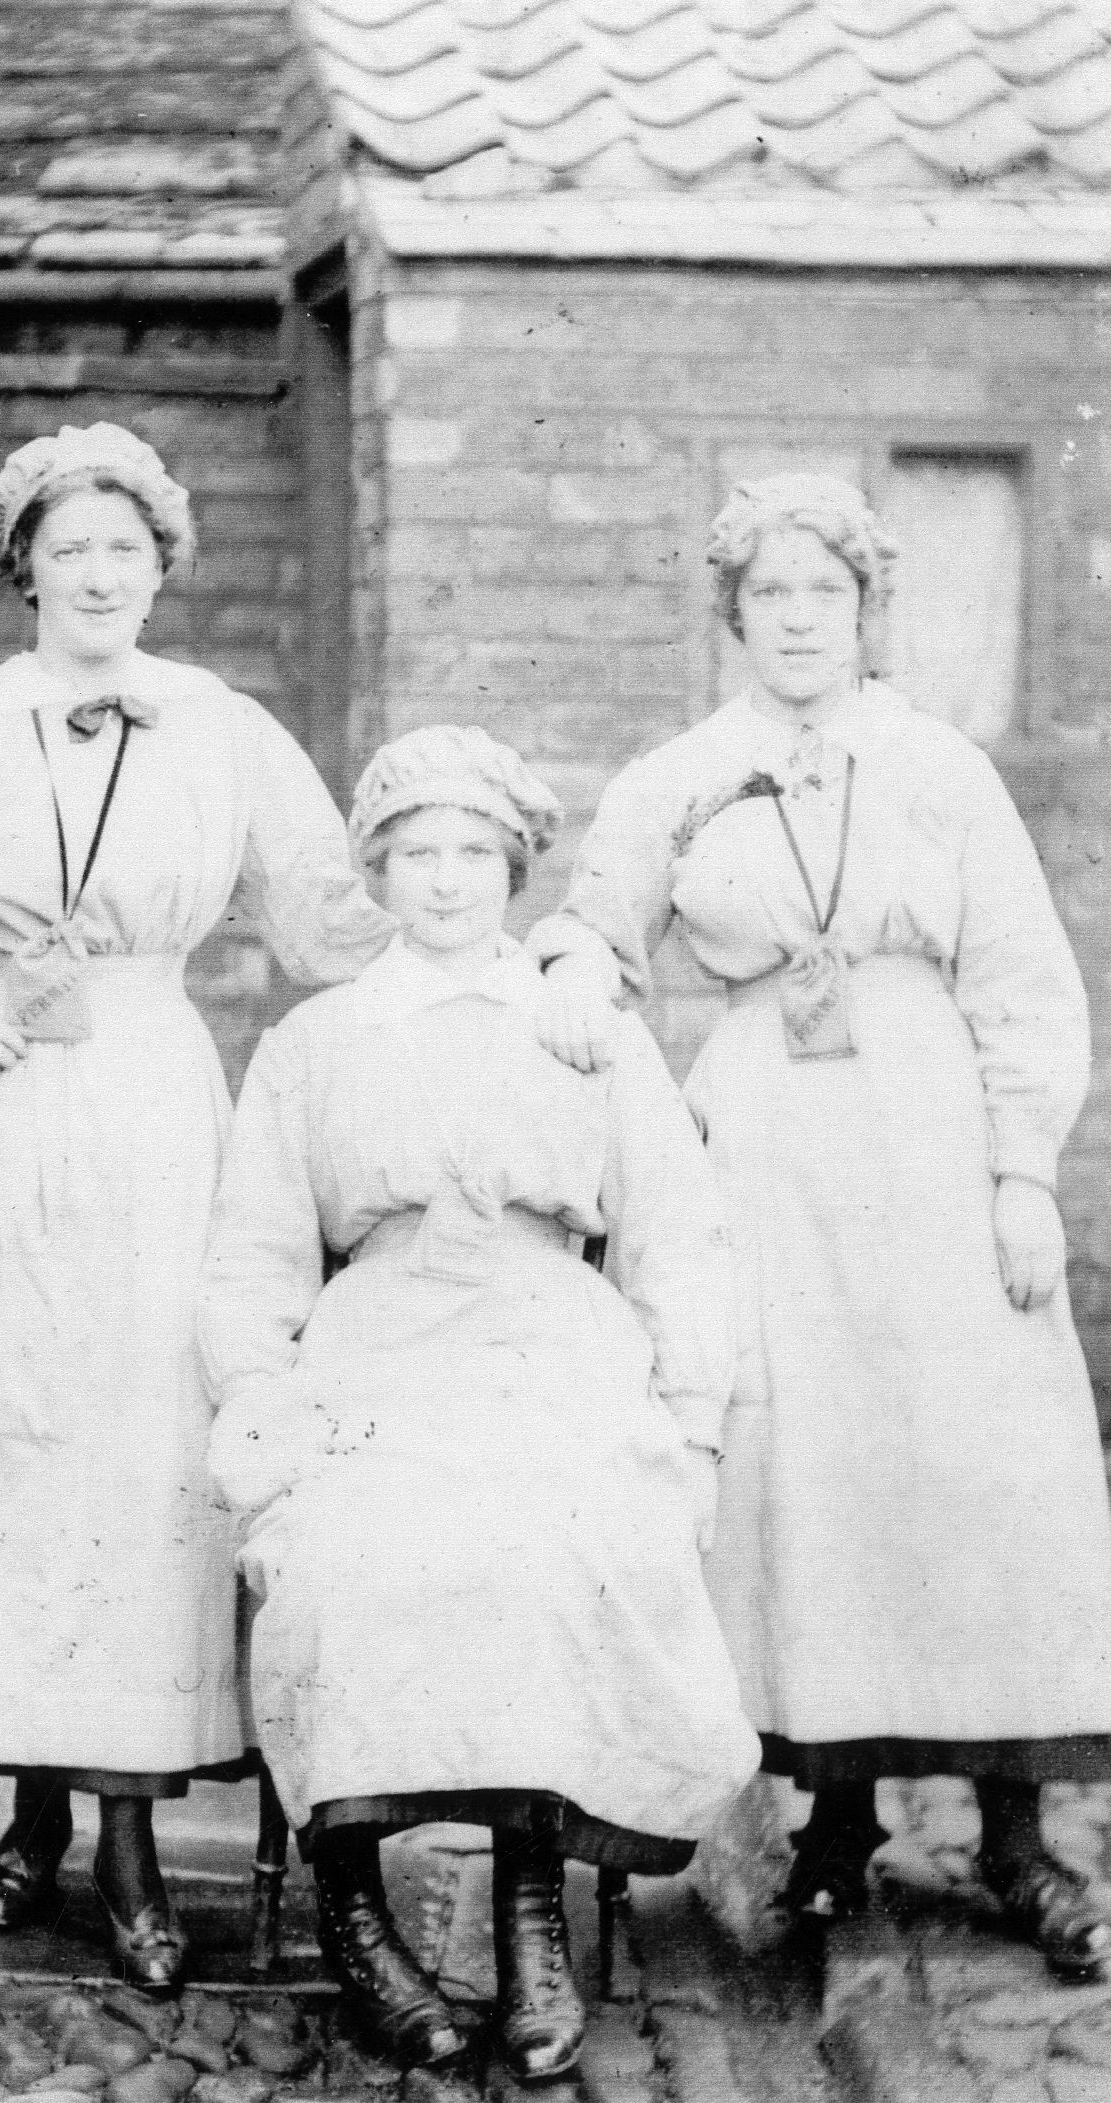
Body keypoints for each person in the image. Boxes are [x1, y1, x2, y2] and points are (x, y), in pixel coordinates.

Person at [0, 425, 617, 1990]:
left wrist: (519, 960)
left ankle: (128, 1843)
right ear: (23, 568)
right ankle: (25, 1813)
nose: (99, 575)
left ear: (162, 567)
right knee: (2, 1461)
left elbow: (341, 922)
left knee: (139, 1458)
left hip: (150, 1103)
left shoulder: (220, 729)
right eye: (69, 550)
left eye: (126, 551)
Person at [532, 472, 1111, 1980]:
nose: (798, 620)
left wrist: (1019, 1173)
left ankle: (1014, 1834)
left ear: (866, 612)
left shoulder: (935, 768)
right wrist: (573, 991)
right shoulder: (678, 775)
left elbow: (1020, 980)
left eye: (825, 595)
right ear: (729, 614)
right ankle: (831, 1825)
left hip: (926, 1141)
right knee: (808, 1471)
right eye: (770, 596)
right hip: (766, 1154)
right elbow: (599, 930)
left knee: (976, 1465)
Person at [198, 725, 759, 2077]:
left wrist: (686, 1427)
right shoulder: (317, 1042)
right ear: (375, 872)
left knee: (563, 1546)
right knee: (340, 1557)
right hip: (378, 1342)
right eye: (414, 854)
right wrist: (262, 1397)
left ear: (513, 867)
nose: (444, 882)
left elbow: (677, 1242)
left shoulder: (585, 1033)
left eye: (471, 853)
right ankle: (352, 1912)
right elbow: (252, 1255)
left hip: (547, 1338)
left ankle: (528, 1919)